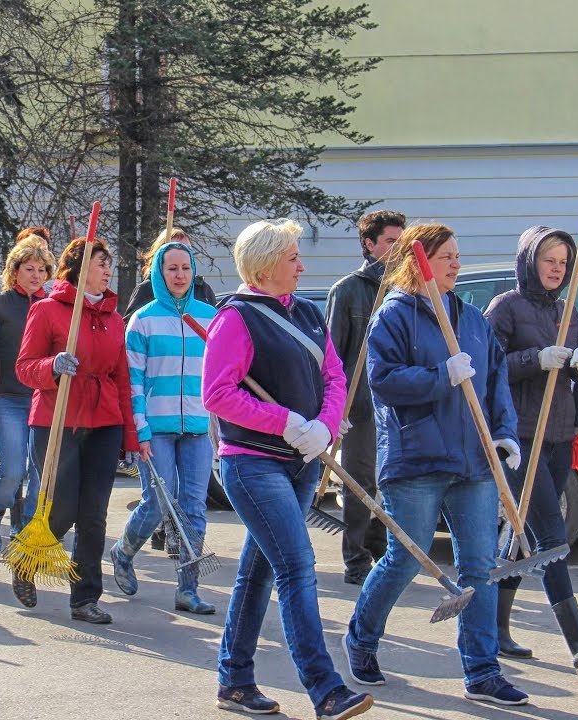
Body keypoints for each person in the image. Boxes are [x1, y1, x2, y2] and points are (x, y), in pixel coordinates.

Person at [347, 223, 528, 706]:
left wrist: (505, 432)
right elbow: (382, 381)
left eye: (457, 255)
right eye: (445, 256)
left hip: (474, 463)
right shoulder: (395, 316)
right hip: (417, 459)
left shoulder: (470, 319)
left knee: (479, 567)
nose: (455, 263)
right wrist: (439, 376)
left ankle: (482, 670)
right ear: (418, 260)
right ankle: (361, 639)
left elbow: (495, 382)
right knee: (404, 559)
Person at [202, 219, 373, 719]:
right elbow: (218, 395)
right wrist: (286, 421)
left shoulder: (308, 312)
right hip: (253, 466)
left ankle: (234, 681)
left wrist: (324, 423)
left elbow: (334, 374)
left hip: (301, 462)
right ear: (265, 264)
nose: (302, 265)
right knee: (297, 568)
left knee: (257, 575)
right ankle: (325, 689)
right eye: (292, 257)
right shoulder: (235, 319)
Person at [484, 226, 578, 675]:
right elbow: (487, 368)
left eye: (563, 261)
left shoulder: (567, 309)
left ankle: (495, 629)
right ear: (529, 261)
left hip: (557, 434)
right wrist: (534, 359)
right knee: (551, 536)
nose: (557, 269)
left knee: (525, 533)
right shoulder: (504, 308)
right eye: (548, 260)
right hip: (520, 437)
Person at [13, 237, 138, 623]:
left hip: (104, 423)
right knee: (61, 509)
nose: (108, 270)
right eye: (101, 263)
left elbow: (120, 379)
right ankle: (25, 562)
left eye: (109, 263)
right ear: (80, 269)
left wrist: (131, 437)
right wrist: (52, 366)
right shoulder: (48, 311)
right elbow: (24, 367)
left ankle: (84, 598)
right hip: (56, 420)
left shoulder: (114, 319)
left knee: (93, 515)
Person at [110, 240, 218, 614]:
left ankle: (188, 588)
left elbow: (221, 377)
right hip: (155, 428)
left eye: (185, 268)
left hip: (199, 428)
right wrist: (138, 430)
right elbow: (133, 381)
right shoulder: (144, 320)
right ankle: (123, 551)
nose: (179, 275)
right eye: (171, 269)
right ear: (159, 273)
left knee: (193, 507)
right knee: (158, 501)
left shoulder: (209, 317)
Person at [324, 209, 404, 585]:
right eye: (390, 242)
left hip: (400, 405)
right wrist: (332, 407)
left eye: (402, 242)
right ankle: (355, 559)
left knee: (391, 482)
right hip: (361, 405)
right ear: (369, 245)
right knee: (360, 482)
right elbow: (332, 357)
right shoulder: (349, 290)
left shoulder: (407, 288)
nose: (398, 249)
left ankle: (381, 548)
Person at [0, 238, 55, 554]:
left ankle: (24, 529)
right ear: (15, 271)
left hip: (43, 398)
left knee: (39, 472)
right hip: (7, 397)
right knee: (13, 470)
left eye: (41, 270)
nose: (35, 275)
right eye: (29, 269)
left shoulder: (52, 305)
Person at [121, 227, 217, 320]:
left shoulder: (202, 289)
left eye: (188, 249)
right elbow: (130, 328)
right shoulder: (146, 289)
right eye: (175, 248)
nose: (182, 253)